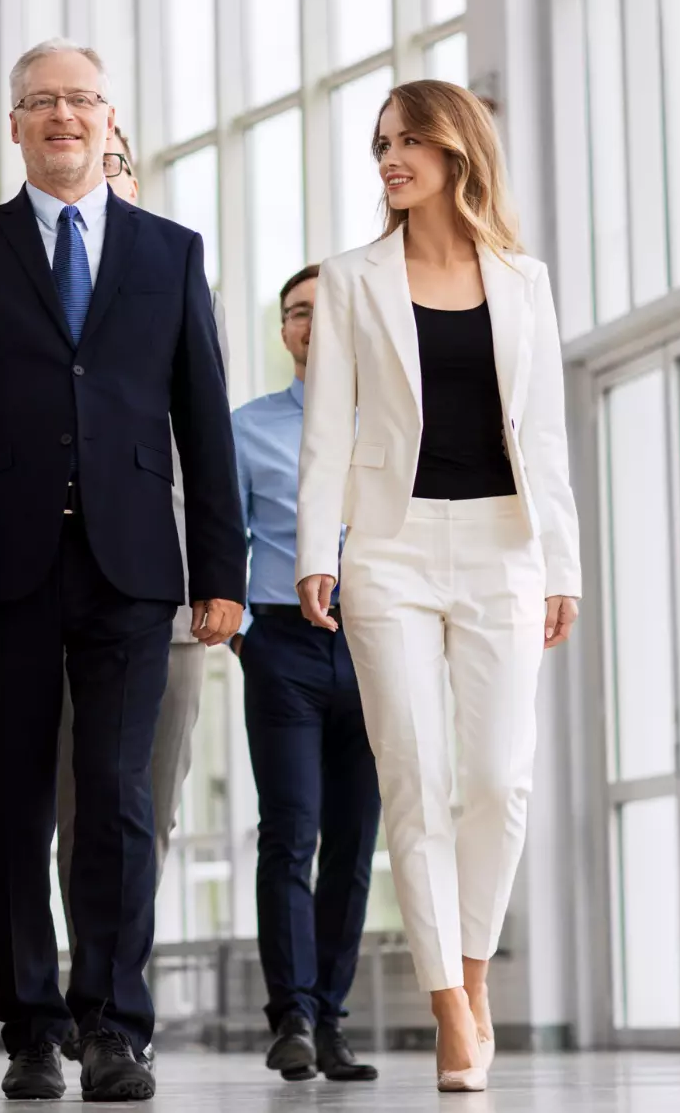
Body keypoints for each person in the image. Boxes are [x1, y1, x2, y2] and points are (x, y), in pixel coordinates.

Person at [0, 39, 245, 1104]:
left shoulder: (169, 252)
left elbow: (203, 422)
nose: (61, 118)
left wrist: (219, 566)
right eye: (40, 103)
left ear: (107, 119)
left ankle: (113, 1025)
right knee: (8, 804)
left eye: (79, 101)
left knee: (118, 798)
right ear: (14, 126)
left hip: (133, 567)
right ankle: (30, 1027)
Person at [294, 80, 582, 1093]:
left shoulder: (522, 279)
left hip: (503, 545)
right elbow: (327, 428)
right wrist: (313, 552)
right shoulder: (350, 279)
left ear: (456, 148)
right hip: (389, 548)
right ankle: (449, 1007)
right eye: (379, 144)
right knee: (412, 777)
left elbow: (541, 432)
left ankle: (471, 965)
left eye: (406, 139)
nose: (387, 159)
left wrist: (562, 564)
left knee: (499, 780)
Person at [51, 126, 217, 1032]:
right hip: (50, 580)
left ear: (134, 182)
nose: (99, 177)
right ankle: (87, 992)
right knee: (75, 803)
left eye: (116, 164)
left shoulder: (176, 273)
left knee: (144, 801)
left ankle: (114, 983)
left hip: (167, 591)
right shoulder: (33, 277)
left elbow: (206, 437)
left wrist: (212, 578)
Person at [232, 264, 382, 1084]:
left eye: (327, 313)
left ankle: (330, 1017)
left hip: (374, 645)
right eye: (296, 313)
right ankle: (289, 1014)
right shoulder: (247, 427)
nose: (311, 325)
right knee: (291, 831)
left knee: (355, 842)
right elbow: (225, 538)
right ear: (285, 331)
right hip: (283, 644)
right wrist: (250, 634)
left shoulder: (391, 426)